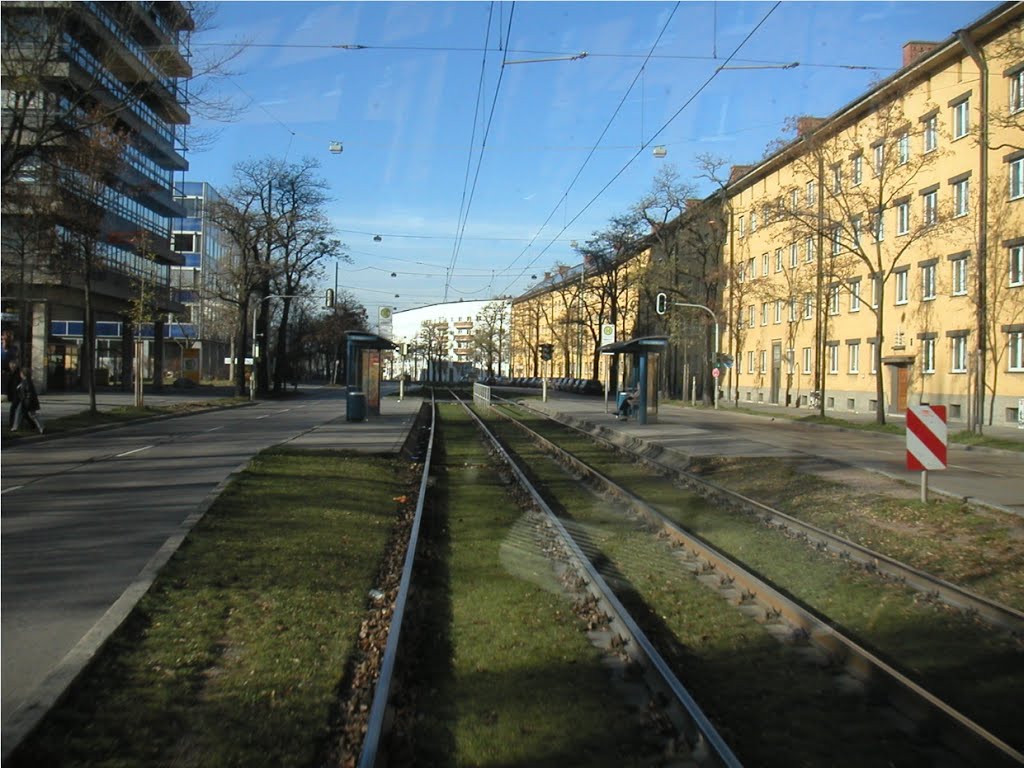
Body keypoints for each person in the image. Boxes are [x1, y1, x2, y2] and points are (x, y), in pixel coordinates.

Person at [13, 367, 44, 434]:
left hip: (26, 401)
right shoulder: (25, 381)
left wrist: (27, 400)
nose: (20, 374)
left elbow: (28, 392)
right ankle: (41, 427)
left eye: (21, 373)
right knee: (30, 414)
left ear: (23, 374)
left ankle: (15, 427)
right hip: (26, 400)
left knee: (27, 413)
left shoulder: (26, 381)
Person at [7, 360, 21, 430]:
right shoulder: (10, 373)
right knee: (23, 411)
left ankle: (11, 423)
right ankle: (32, 424)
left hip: (18, 394)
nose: (12, 366)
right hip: (13, 393)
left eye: (13, 365)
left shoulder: (19, 373)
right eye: (11, 365)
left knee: (13, 409)